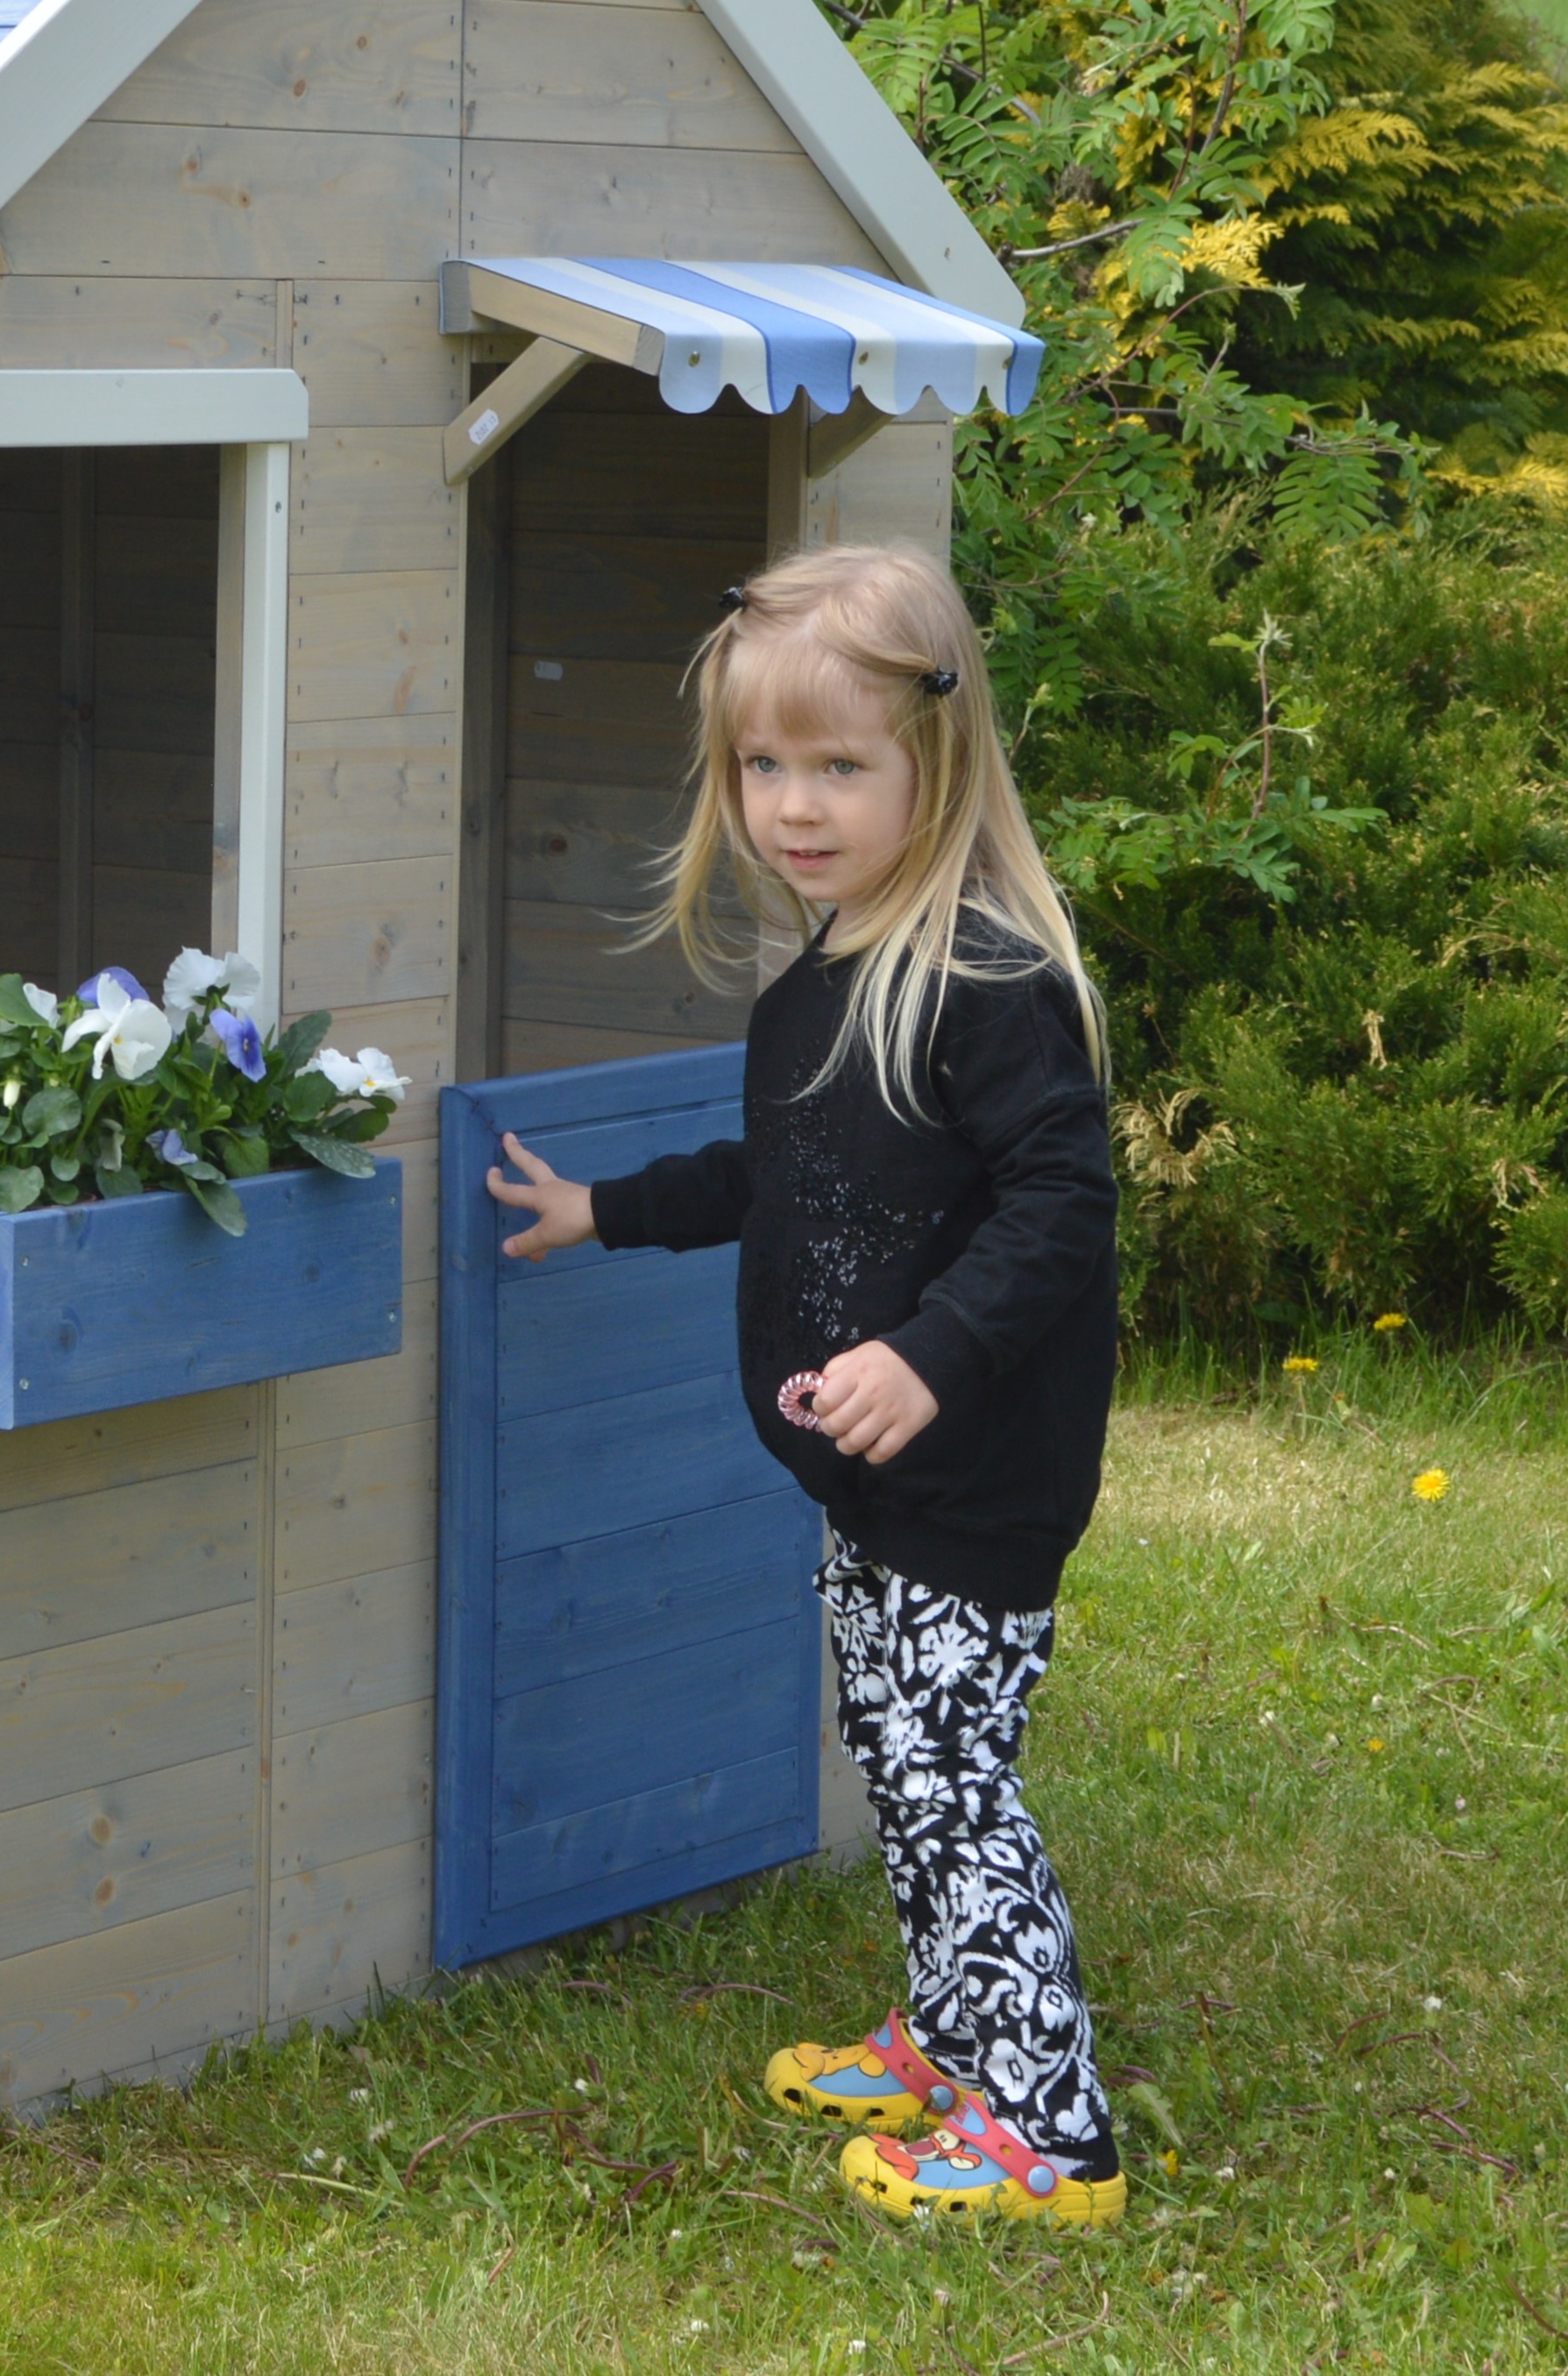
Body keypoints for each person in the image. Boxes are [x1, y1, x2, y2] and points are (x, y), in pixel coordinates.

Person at [483, 543, 1127, 2230]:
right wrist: (602, 1210)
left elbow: (1065, 1203)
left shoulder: (983, 981)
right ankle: (946, 2039)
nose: (793, 803)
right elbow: (773, 1180)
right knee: (898, 1753)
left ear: (938, 757)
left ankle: (1046, 2130)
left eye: (838, 762)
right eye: (762, 764)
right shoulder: (816, 988)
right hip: (868, 1484)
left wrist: (928, 1356)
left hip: (976, 1476)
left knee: (947, 1782)